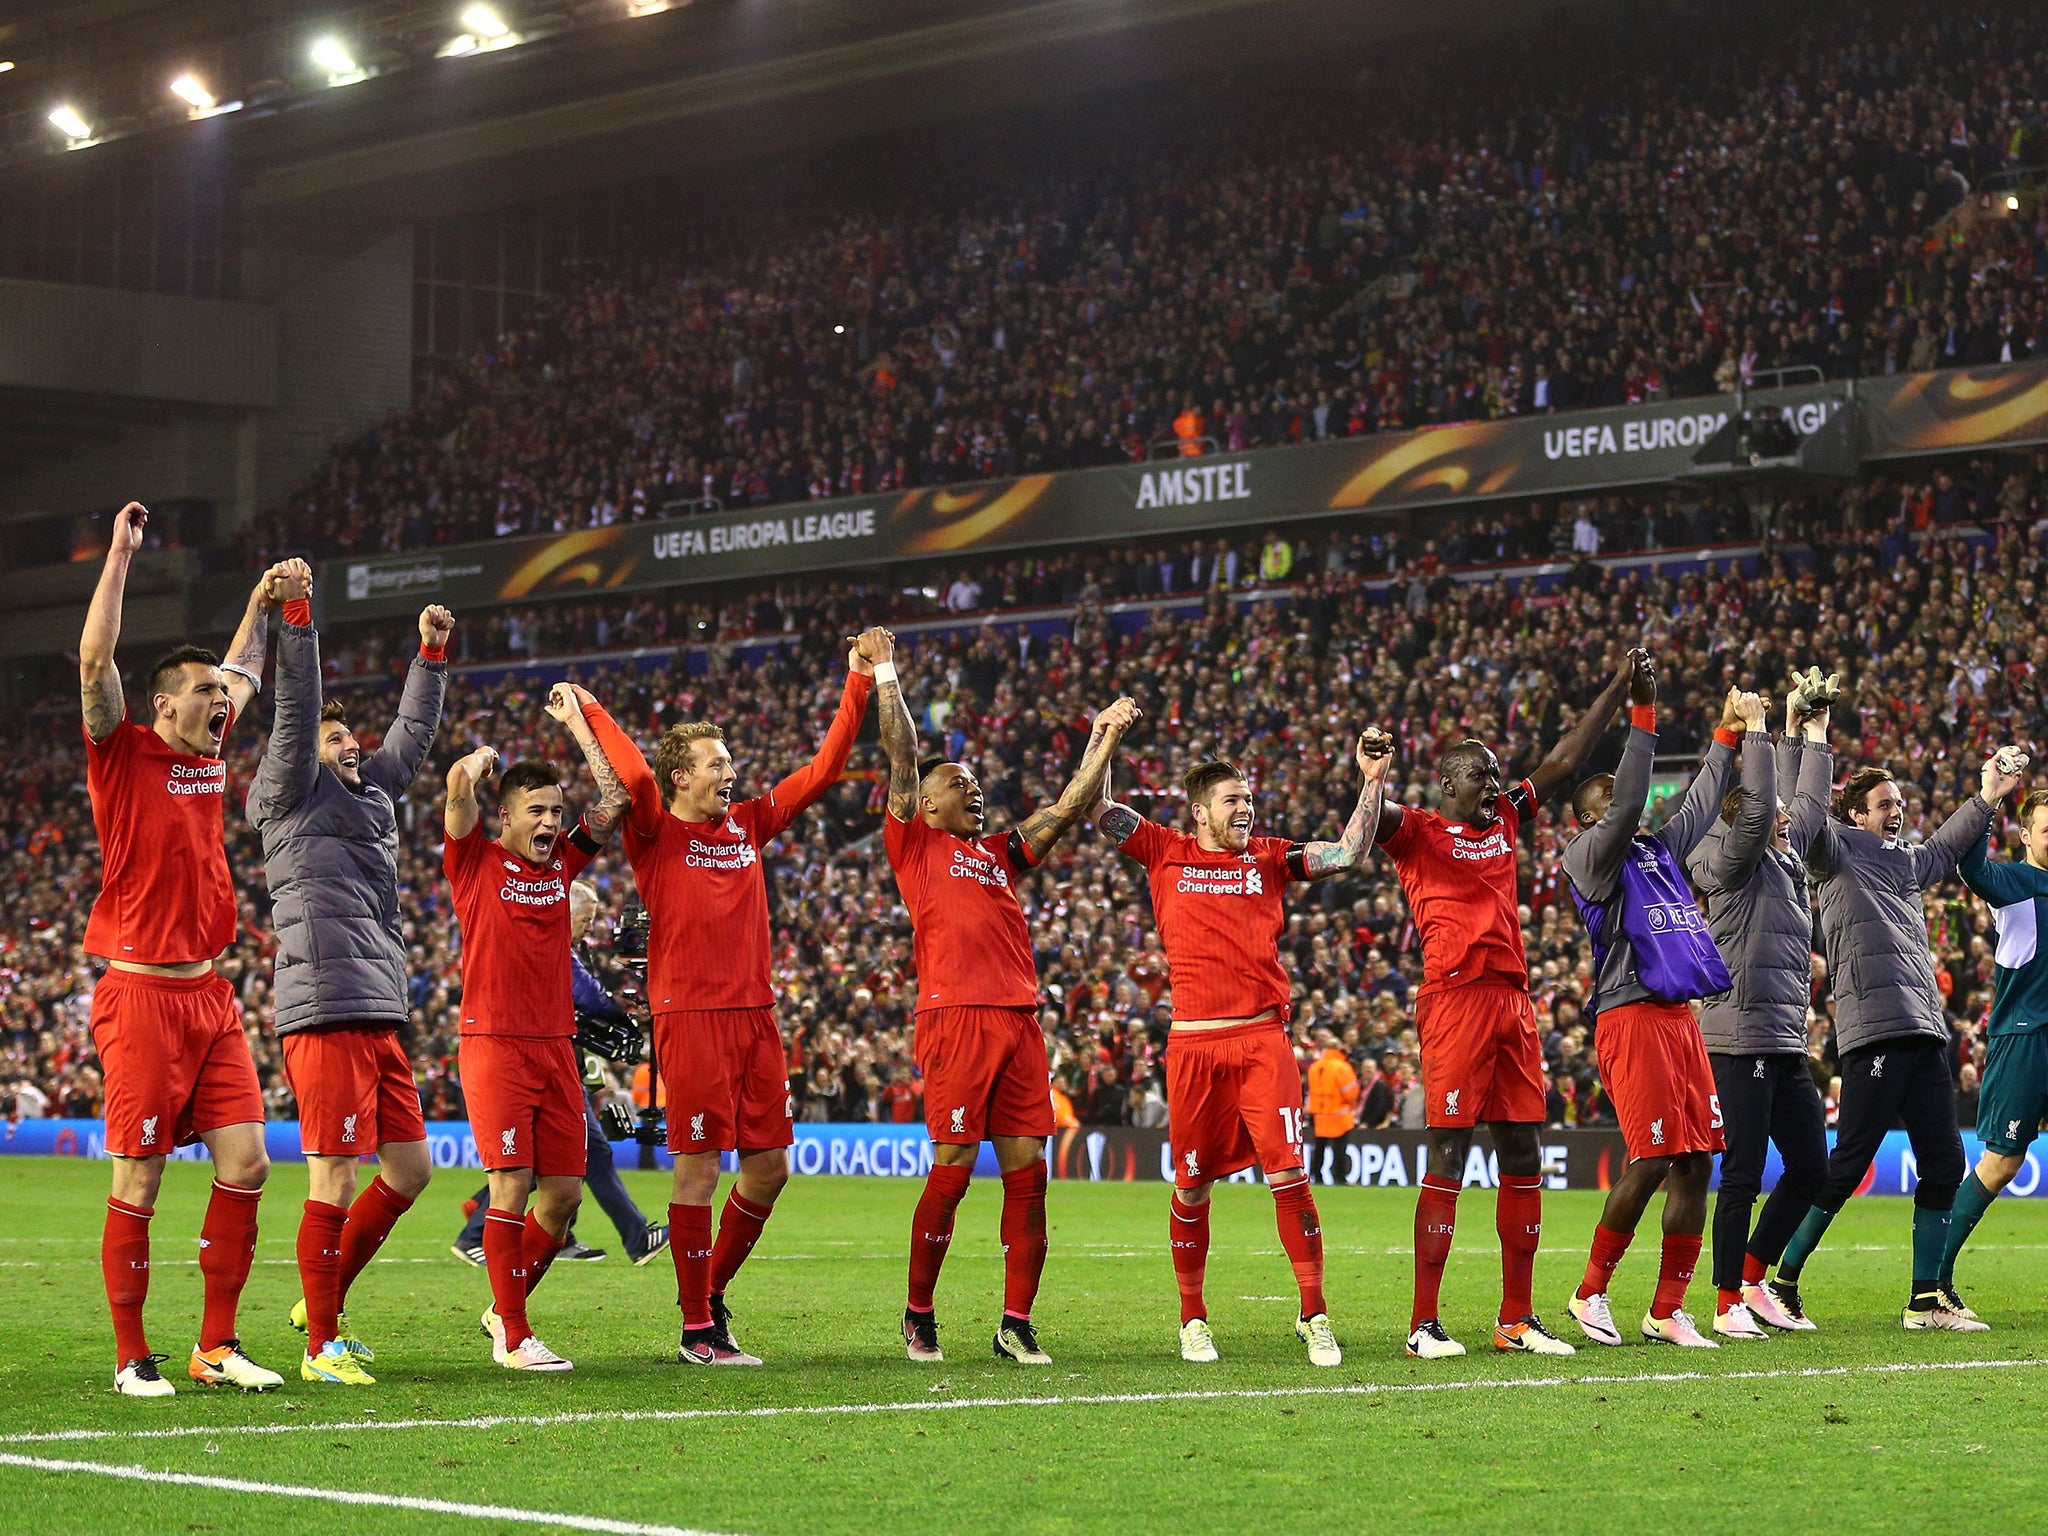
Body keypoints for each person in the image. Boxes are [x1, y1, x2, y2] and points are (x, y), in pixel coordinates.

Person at [580, 633, 881, 1365]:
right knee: (698, 1172)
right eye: (717, 764)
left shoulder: (748, 822)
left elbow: (824, 769)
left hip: (758, 1018)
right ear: (681, 776)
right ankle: (694, 1332)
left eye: (730, 763)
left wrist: (858, 681)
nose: (730, 773)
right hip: (691, 1018)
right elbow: (629, 773)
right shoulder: (652, 833)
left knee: (771, 1168)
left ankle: (707, 1297)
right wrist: (590, 710)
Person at [875, 625, 1138, 1364]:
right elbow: (900, 752)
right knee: (953, 1167)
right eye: (959, 784)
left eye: (976, 783)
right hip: (956, 1019)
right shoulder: (914, 845)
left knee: (1030, 1179)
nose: (975, 789)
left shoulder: (999, 855)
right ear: (924, 804)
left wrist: (1103, 735)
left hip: (1019, 1023)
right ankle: (918, 1312)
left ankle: (1014, 1322)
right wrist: (886, 671)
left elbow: (1067, 805)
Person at [81, 501, 295, 1398]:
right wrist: (123, 557)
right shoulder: (121, 750)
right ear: (162, 704)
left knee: (247, 1162)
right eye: (205, 695)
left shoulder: (210, 751)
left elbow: (245, 666)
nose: (223, 703)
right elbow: (95, 661)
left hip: (211, 995)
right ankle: (134, 1355)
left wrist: (259, 596)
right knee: (140, 1172)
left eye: (221, 695)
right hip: (139, 995)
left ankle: (215, 1344)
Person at [1371, 650, 1638, 1359]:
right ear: (1447, 784)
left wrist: (1615, 684)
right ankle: (1423, 1323)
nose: (1493, 784)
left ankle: (1514, 1319)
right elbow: (1371, 821)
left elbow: (1565, 754)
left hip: (1513, 1006)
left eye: (1495, 774)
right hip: (1455, 1001)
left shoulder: (1505, 823)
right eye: (1479, 775)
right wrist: (1370, 778)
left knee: (1523, 1149)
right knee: (1450, 1151)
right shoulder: (1420, 832)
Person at [1096, 732, 1391, 1367]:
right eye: (1233, 800)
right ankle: (1192, 1318)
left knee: (1289, 1173)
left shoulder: (1269, 858)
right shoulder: (1162, 850)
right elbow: (1097, 807)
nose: (1246, 809)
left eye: (1249, 798)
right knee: (1192, 1184)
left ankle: (1314, 1313)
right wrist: (1107, 736)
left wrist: (1371, 779)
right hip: (1195, 1046)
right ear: (1200, 811)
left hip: (1262, 1040)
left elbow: (1346, 852)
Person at [249, 583, 452, 1385]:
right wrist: (296, 620)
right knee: (332, 1173)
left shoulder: (372, 799)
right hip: (324, 1002)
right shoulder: (287, 789)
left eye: (352, 739)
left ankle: (321, 1297)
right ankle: (319, 1345)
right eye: (337, 738)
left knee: (409, 1171)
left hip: (378, 1005)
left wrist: (430, 654)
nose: (351, 745)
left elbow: (413, 736)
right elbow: (298, 710)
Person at [1761, 713, 2022, 1331]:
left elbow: (1945, 848)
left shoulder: (1905, 863)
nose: (1896, 811)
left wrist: (1986, 794)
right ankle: (1783, 1280)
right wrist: (1813, 739)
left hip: (1925, 1028)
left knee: (1944, 1162)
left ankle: (1925, 1299)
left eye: (1900, 803)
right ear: (1855, 814)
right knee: (1847, 1164)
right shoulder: (1833, 851)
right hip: (1873, 1028)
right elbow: (1807, 809)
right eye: (1884, 804)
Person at [1560, 668, 1751, 1350]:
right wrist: (1644, 714)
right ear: (1589, 821)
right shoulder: (1589, 858)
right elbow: (1634, 792)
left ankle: (1667, 1310)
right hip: (1629, 1016)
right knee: (1649, 1159)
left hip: (1678, 1017)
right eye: (1612, 804)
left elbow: (1698, 803)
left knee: (1698, 1162)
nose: (1629, 810)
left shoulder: (1655, 851)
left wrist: (1727, 732)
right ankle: (1589, 1294)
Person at [442, 683, 631, 1371]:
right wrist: (481, 758)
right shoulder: (474, 863)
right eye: (538, 811)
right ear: (507, 818)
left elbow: (614, 803)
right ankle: (515, 1335)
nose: (552, 821)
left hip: (556, 1048)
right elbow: (458, 787)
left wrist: (580, 725)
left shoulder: (563, 870)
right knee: (511, 1187)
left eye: (556, 810)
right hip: (494, 1044)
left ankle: (503, 1307)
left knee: (563, 1197)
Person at [1686, 674, 1837, 1336]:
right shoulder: (1730, 853)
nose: (1781, 816)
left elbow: (1808, 801)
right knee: (1743, 1171)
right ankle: (1725, 1304)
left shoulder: (1780, 850)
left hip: (1781, 1036)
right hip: (1736, 1031)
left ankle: (1752, 1276)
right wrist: (1752, 734)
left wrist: (1812, 732)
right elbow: (1765, 810)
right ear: (1739, 812)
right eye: (1764, 807)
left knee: (1811, 1168)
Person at [451, 880, 671, 1269]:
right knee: (574, 1153)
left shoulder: (566, 947)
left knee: (573, 1155)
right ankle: (476, 1232)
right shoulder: (552, 945)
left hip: (559, 1055)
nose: (590, 927)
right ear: (564, 914)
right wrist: (618, 1010)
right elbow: (585, 996)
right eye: (585, 919)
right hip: (540, 1057)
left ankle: (566, 1234)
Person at [1936, 771, 2045, 1308]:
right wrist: (1990, 798)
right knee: (2003, 1162)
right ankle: (1934, 1278)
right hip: (2025, 1039)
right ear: (2027, 836)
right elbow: (1969, 866)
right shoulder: (2014, 884)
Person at [1306, 1030, 1361, 1185]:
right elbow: (1351, 1093)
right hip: (1339, 1114)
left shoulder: (1314, 1067)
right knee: (1339, 1149)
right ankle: (1339, 1176)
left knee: (1319, 1148)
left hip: (1319, 1114)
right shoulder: (1342, 1067)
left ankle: (1316, 1175)